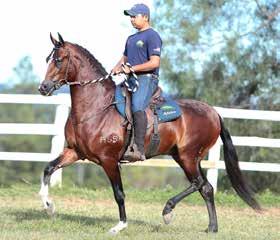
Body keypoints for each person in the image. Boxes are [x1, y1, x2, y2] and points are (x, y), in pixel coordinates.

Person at [112, 3, 162, 162]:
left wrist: (132, 68)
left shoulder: (152, 36)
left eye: (134, 16)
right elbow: (124, 58)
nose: (132, 19)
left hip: (147, 78)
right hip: (130, 79)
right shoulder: (131, 38)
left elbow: (154, 63)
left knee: (136, 106)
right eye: (130, 17)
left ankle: (138, 149)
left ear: (145, 17)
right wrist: (115, 68)